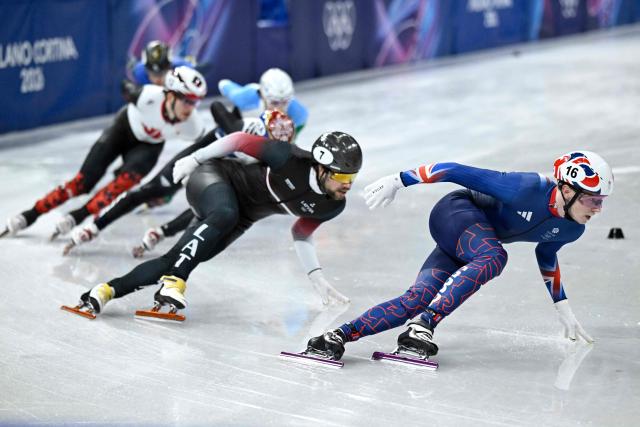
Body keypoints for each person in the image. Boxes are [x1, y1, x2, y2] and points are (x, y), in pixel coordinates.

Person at [305, 151, 614, 361]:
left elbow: (546, 254)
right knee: (495, 257)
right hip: (455, 214)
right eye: (591, 199)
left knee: (416, 297)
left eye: (601, 201)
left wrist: (563, 308)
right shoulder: (525, 188)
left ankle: (335, 337)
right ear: (566, 189)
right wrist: (399, 180)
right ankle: (423, 325)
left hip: (473, 241)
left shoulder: (573, 229)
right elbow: (454, 171)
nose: (597, 209)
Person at [64, 130, 362, 318]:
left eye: (353, 178)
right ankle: (176, 282)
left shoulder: (332, 204)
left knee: (179, 257)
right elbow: (239, 140)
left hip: (240, 216)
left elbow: (300, 232)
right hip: (213, 178)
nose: (348, 185)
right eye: (343, 177)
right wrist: (194, 159)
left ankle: (103, 292)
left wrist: (317, 279)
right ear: (321, 168)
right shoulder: (289, 158)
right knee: (223, 216)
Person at [1, 66, 207, 239]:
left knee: (119, 187)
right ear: (170, 95)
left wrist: (174, 189)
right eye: (187, 101)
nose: (190, 108)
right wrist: (129, 87)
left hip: (148, 147)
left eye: (195, 102)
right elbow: (124, 86)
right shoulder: (147, 96)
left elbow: (202, 150)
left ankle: (78, 216)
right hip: (123, 129)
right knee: (82, 183)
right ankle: (30, 214)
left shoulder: (193, 125)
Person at [63, 108, 296, 255]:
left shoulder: (269, 155)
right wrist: (229, 123)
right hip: (195, 159)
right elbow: (216, 107)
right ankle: (94, 227)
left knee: (214, 207)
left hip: (219, 170)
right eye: (270, 145)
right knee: (149, 191)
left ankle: (162, 232)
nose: (271, 151)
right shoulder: (246, 131)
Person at [218, 68, 308, 135]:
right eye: (275, 102)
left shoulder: (298, 113)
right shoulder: (245, 97)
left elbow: (291, 142)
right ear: (262, 95)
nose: (280, 108)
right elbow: (223, 84)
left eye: (285, 102)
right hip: (239, 123)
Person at [121, 40, 195, 102]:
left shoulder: (183, 69)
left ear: (170, 68)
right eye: (153, 74)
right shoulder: (139, 73)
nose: (157, 80)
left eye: (162, 74)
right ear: (146, 70)